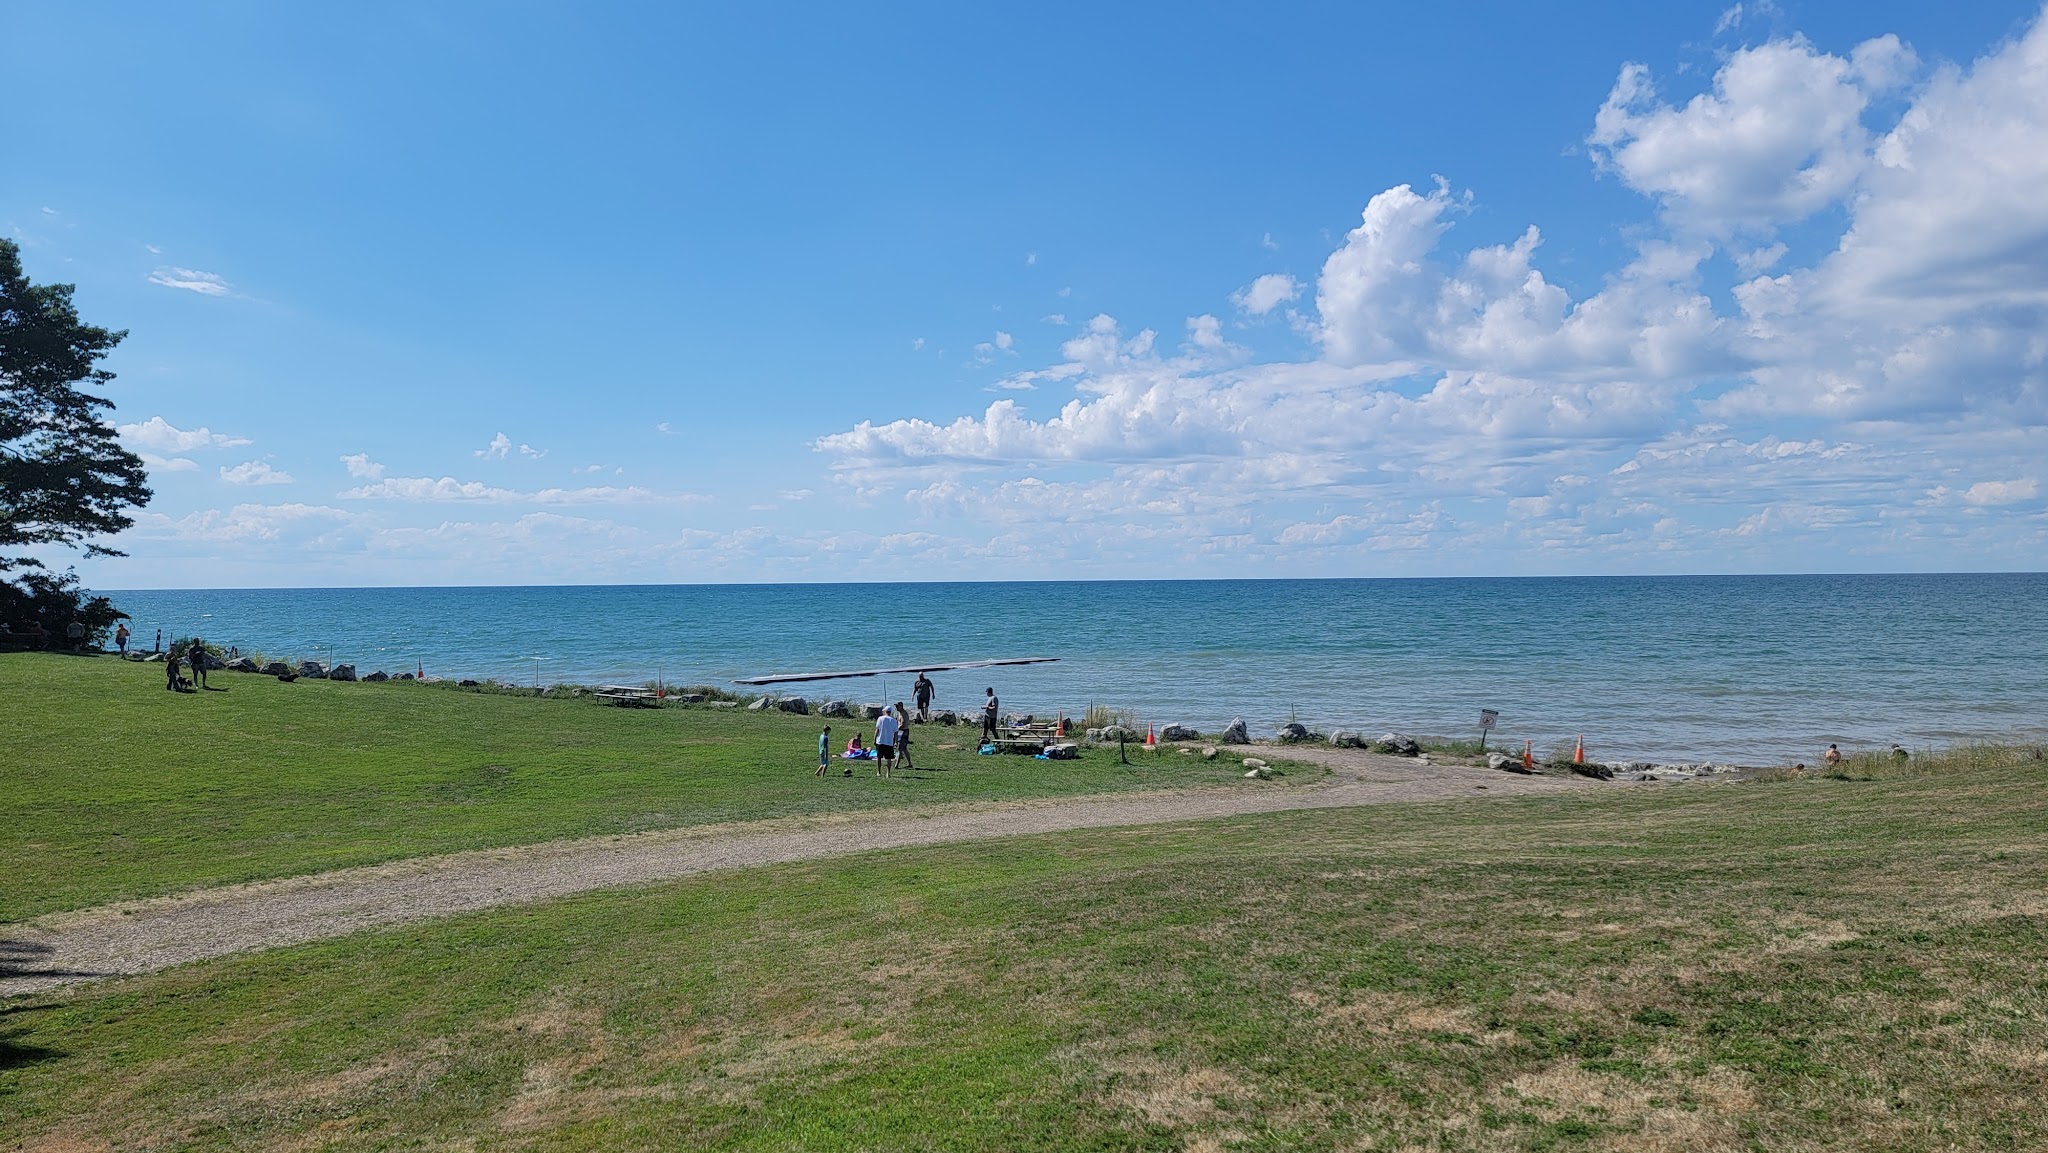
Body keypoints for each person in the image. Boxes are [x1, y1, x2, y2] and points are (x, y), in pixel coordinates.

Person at [874, 708, 899, 778]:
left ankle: (879, 771)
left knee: (879, 757)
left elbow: (877, 730)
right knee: (889, 758)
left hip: (880, 741)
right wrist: (896, 742)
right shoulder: (894, 721)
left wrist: (874, 739)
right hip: (889, 742)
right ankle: (888, 773)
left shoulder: (880, 719)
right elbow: (896, 733)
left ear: (885, 711)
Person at [894, 703, 915, 770]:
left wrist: (896, 729)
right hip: (901, 731)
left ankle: (896, 765)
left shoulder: (903, 713)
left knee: (900, 749)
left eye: (897, 706)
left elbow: (903, 724)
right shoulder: (899, 713)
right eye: (896, 706)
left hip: (903, 731)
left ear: (901, 706)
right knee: (904, 749)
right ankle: (909, 763)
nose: (896, 707)